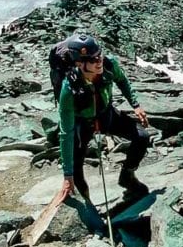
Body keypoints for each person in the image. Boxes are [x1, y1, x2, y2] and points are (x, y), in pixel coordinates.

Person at [56, 32, 150, 204]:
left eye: (99, 55)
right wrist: (66, 175)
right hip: (81, 124)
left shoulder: (109, 65)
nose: (98, 60)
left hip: (106, 115)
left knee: (142, 137)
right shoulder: (69, 89)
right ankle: (87, 204)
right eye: (92, 59)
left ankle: (127, 176)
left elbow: (122, 80)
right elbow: (66, 132)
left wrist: (135, 105)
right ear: (79, 63)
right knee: (76, 172)